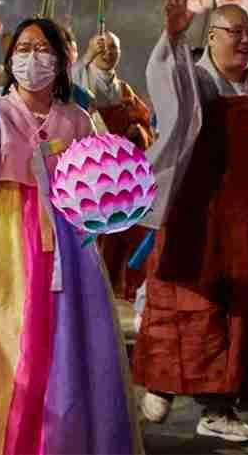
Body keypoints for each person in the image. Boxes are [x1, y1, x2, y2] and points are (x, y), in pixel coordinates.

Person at [134, 0, 248, 441]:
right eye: (237, 32)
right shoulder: (196, 79)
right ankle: (160, 381)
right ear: (211, 37)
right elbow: (167, 86)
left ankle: (218, 408)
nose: (247, 41)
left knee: (236, 314)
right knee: (189, 304)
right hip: (199, 215)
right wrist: (173, 37)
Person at [0, 18, 141, 455]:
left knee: (64, 341)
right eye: (23, 48)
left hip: (66, 238)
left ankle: (61, 436)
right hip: (4, 234)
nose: (31, 57)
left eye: (43, 49)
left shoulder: (77, 118)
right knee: (2, 338)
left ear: (61, 60)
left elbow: (97, 183)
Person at [72, 29, 156, 301]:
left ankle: (127, 287)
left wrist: (137, 132)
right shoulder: (81, 81)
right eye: (103, 48)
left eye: (114, 49)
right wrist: (84, 59)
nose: (109, 53)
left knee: (131, 232)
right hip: (94, 173)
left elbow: (144, 123)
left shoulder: (124, 89)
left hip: (124, 174)